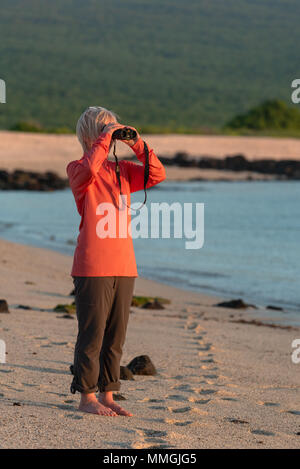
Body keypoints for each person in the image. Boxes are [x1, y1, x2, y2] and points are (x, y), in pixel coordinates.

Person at [66, 106, 166, 416]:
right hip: (92, 265)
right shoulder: (78, 169)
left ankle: (108, 394)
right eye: (105, 131)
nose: (111, 136)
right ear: (92, 136)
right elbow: (87, 169)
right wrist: (104, 139)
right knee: (92, 335)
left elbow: (157, 174)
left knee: (115, 338)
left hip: (124, 265)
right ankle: (87, 397)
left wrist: (136, 143)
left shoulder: (122, 171)